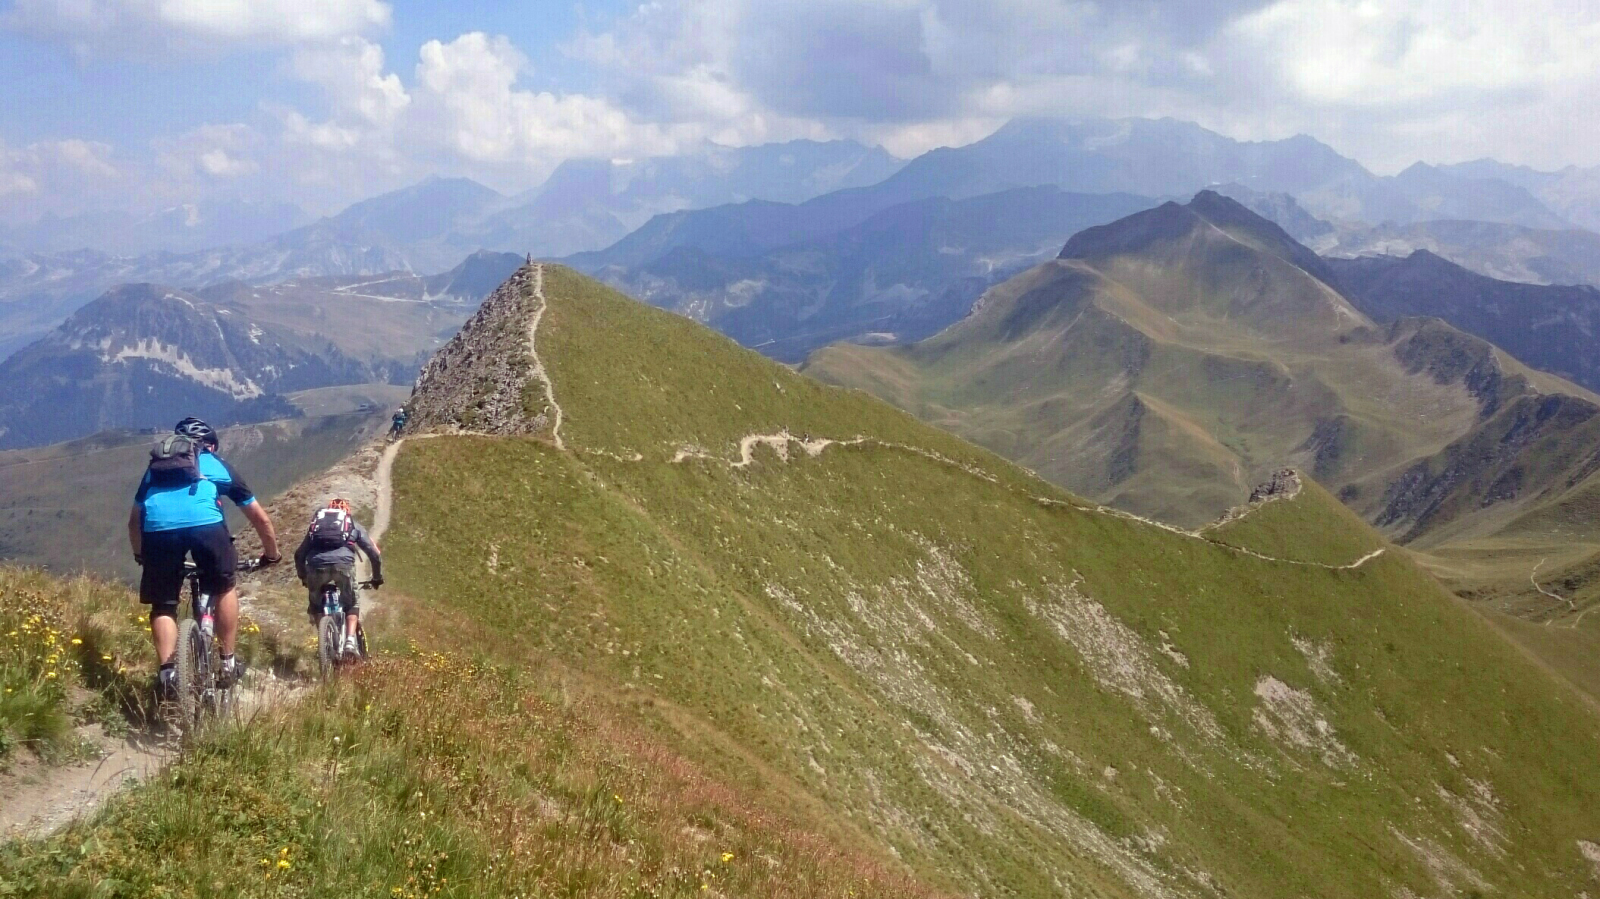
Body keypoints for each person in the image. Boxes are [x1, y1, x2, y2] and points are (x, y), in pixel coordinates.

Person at [129, 417, 280, 698]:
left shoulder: (154, 470)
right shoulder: (218, 465)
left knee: (163, 605)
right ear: (210, 445)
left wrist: (141, 555)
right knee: (224, 586)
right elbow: (260, 519)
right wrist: (271, 555)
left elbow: (134, 520)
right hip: (207, 529)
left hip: (158, 533)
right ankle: (227, 662)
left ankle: (167, 674)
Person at [294, 497, 383, 659]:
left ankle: (325, 640)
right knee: (351, 602)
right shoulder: (352, 524)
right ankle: (349, 641)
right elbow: (374, 554)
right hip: (343, 566)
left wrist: (304, 577)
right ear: (347, 512)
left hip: (315, 566)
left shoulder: (316, 527)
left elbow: (299, 554)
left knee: (316, 605)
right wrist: (376, 577)